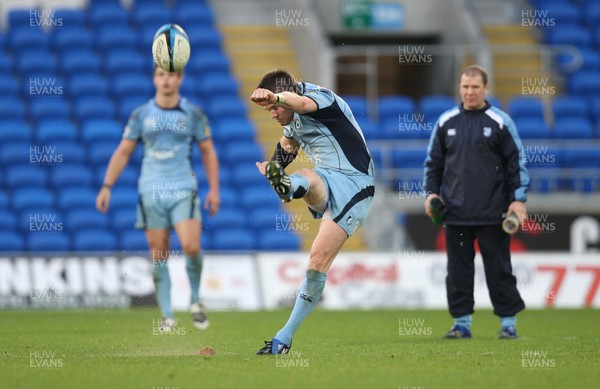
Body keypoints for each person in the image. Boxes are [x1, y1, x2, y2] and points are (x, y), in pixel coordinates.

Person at [250, 69, 375, 354]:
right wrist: (274, 167)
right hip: (326, 180)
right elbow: (288, 144)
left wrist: (276, 97)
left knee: (317, 261)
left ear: (285, 97)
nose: (272, 113)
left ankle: (283, 338)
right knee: (309, 176)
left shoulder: (321, 99)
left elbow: (302, 105)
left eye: (273, 108)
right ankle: (287, 185)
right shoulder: (290, 120)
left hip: (356, 183)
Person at [96, 65, 220, 332]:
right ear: (154, 78)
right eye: (161, 75)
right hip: (151, 190)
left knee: (190, 245)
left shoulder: (193, 113)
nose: (166, 80)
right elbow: (123, 152)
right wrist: (107, 185)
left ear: (180, 79)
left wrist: (214, 189)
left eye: (171, 75)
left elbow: (208, 151)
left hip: (183, 187)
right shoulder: (141, 115)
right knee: (159, 253)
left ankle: (196, 301)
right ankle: (167, 315)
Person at [423, 65, 529, 339]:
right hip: (455, 214)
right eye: (465, 87)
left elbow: (516, 163)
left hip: (493, 213)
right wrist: (431, 194)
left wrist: (518, 200)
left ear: (486, 88)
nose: (469, 92)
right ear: (459, 89)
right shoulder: (446, 122)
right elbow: (433, 164)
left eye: (475, 87)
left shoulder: (500, 121)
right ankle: (462, 324)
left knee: (499, 271)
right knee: (458, 273)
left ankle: (508, 324)